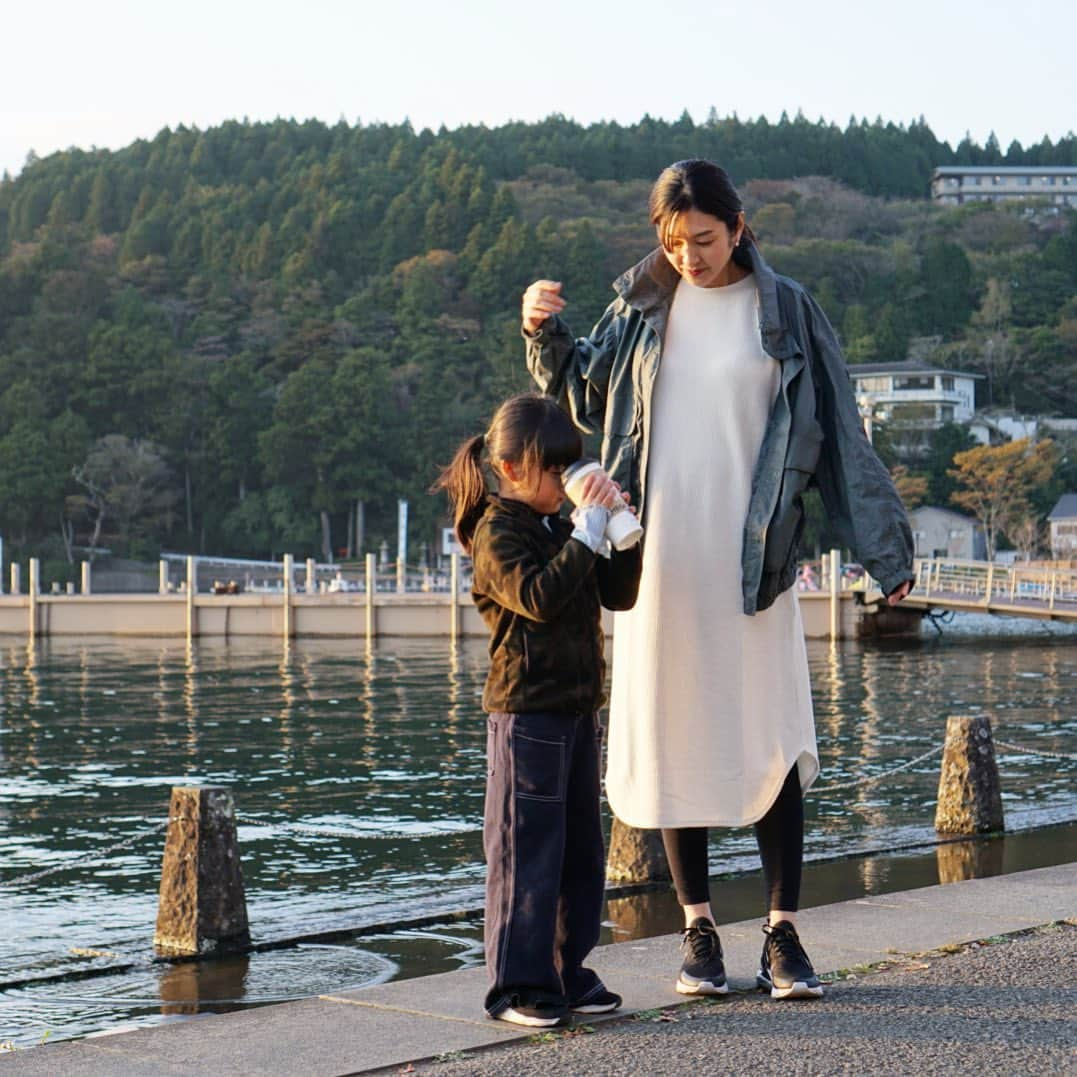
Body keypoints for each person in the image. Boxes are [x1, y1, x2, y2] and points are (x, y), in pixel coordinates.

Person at [522, 159, 914, 1001]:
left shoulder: (788, 310)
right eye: (671, 241)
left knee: (768, 739)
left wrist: (886, 554)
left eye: (701, 238)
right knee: (675, 734)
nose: (688, 256)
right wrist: (540, 333)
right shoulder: (641, 307)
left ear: (737, 226)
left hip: (755, 557)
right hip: (658, 553)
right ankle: (697, 929)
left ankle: (783, 934)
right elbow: (580, 395)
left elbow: (840, 431)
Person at [434, 393, 643, 1026]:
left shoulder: (559, 523)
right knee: (525, 853)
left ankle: (567, 974)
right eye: (556, 471)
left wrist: (622, 533)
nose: (564, 482)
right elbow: (540, 598)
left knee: (580, 853)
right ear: (514, 466)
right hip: (527, 714)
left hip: (578, 709)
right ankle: (518, 988)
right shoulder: (496, 531)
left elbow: (619, 595)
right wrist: (586, 530)